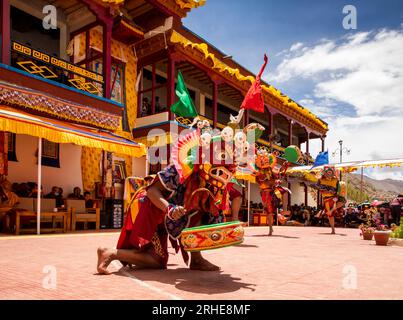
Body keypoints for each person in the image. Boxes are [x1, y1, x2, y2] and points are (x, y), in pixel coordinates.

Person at [96, 117, 261, 274]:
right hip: (152, 209)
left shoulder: (216, 182)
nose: (223, 176)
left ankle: (196, 258)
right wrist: (169, 209)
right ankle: (110, 253)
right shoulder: (182, 168)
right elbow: (152, 191)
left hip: (176, 214)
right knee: (157, 261)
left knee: (204, 210)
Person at [254, 149, 291, 236]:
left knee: (285, 191)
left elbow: (280, 172)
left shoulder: (272, 169)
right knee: (269, 212)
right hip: (265, 193)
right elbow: (262, 182)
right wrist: (273, 182)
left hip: (273, 191)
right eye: (263, 159)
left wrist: (285, 165)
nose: (265, 161)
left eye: (266, 159)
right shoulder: (259, 172)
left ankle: (284, 210)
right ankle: (271, 228)